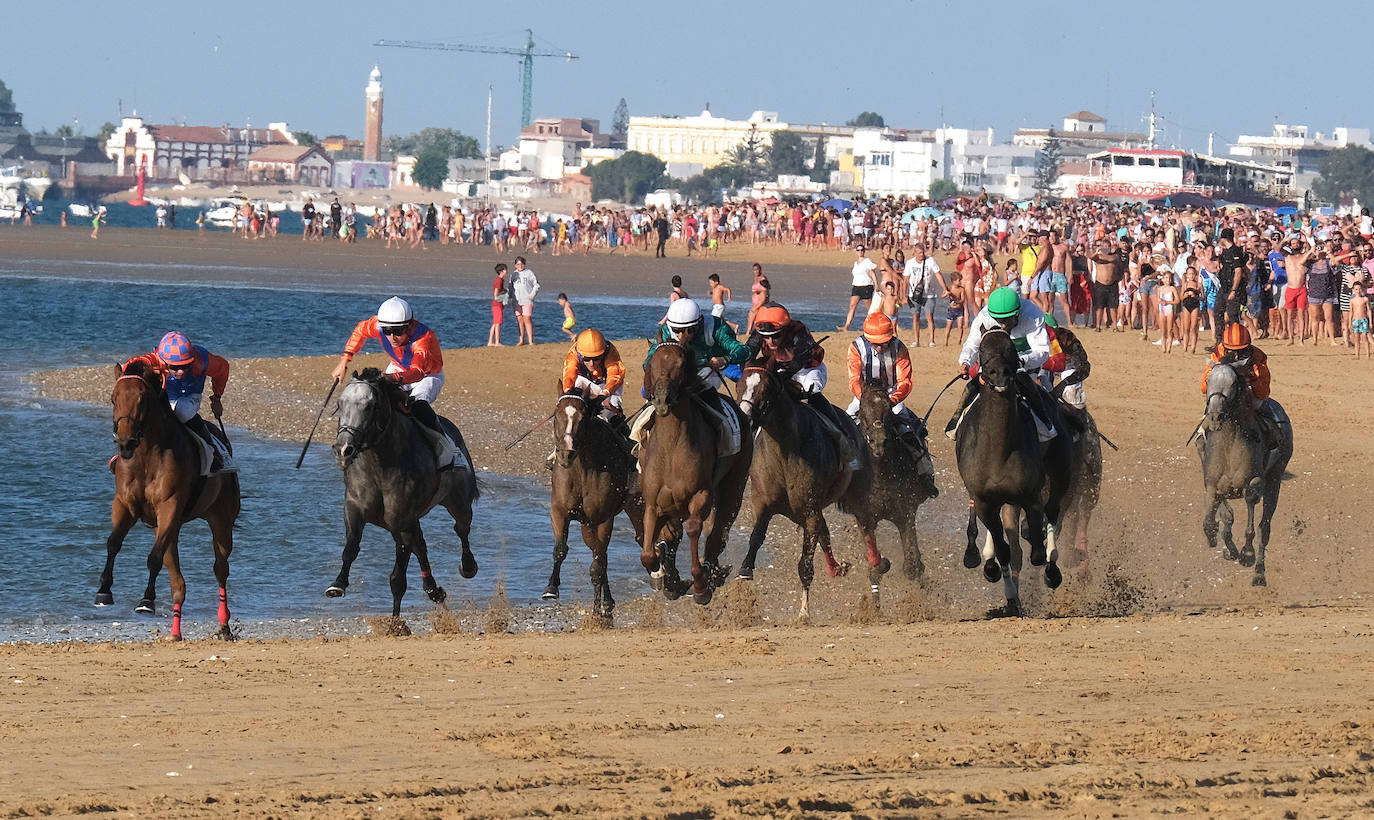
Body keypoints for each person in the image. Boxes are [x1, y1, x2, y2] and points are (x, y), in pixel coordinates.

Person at [329, 297, 456, 468]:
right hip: (398, 367)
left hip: (427, 375)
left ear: (409, 326)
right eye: (387, 331)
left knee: (418, 405)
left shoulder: (423, 339)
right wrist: (345, 360)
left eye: (397, 331)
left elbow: (417, 373)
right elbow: (360, 329)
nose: (392, 337)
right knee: (375, 400)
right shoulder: (378, 326)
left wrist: (392, 380)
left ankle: (447, 447)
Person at [947, 286, 1057, 440]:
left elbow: (1042, 351)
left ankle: (1046, 425)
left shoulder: (1032, 315)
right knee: (971, 387)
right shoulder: (984, 316)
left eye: (1007, 320)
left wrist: (1019, 362)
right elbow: (972, 344)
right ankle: (956, 423)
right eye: (999, 321)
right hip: (994, 368)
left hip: (1023, 368)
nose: (1003, 325)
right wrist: (965, 362)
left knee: (1030, 387)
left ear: (1018, 313)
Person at [845, 313, 937, 496]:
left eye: (883, 342)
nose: (879, 346)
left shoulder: (899, 348)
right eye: (875, 343)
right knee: (845, 427)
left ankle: (925, 472)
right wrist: (867, 400)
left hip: (891, 397)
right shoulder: (856, 348)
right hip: (864, 398)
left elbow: (905, 381)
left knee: (910, 430)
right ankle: (842, 477)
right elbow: (854, 379)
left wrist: (890, 401)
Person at [121, 331, 233, 471]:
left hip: (189, 396)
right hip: (163, 395)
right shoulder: (154, 361)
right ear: (163, 361)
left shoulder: (202, 360)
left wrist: (217, 397)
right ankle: (123, 452)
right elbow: (133, 364)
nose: (180, 372)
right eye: (174, 367)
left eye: (185, 366)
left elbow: (223, 368)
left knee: (182, 411)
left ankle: (212, 449)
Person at [1200, 324, 1289, 469]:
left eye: (1240, 351)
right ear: (1224, 346)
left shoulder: (1258, 357)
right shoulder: (1216, 354)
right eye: (1232, 351)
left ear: (1247, 347)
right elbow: (1204, 388)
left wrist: (1252, 378)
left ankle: (1276, 442)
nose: (1235, 355)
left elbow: (1263, 392)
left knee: (1266, 408)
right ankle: (1201, 439)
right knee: (1213, 407)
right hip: (1225, 394)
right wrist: (1213, 378)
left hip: (1249, 392)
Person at [562, 328, 627, 431]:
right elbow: (569, 374)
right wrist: (567, 392)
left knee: (612, 413)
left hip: (609, 385)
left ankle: (624, 438)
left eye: (596, 358)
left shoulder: (610, 351)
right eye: (586, 359)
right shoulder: (574, 353)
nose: (592, 364)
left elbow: (615, 375)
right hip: (585, 381)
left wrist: (604, 394)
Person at [839, 245, 878, 331]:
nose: (860, 252)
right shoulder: (855, 263)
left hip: (866, 286)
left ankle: (875, 326)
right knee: (852, 305)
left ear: (864, 251)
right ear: (856, 251)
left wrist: (876, 285)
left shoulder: (867, 261)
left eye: (862, 250)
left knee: (870, 309)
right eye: (858, 250)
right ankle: (846, 326)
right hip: (856, 286)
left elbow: (872, 273)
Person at [512, 256, 540, 345]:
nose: (520, 266)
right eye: (518, 264)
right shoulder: (513, 274)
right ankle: (521, 340)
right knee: (520, 320)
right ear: (515, 265)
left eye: (521, 264)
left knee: (527, 319)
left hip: (527, 300)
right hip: (517, 301)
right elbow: (510, 287)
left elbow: (536, 285)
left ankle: (530, 341)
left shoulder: (529, 273)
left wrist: (532, 295)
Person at [488, 263, 509, 346]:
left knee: (495, 323)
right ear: (501, 271)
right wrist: (503, 297)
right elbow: (496, 294)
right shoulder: (499, 280)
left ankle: (490, 342)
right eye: (505, 270)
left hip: (496, 305)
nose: (506, 271)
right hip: (497, 304)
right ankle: (497, 342)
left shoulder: (501, 280)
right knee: (498, 323)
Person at [1350, 281, 1370, 359]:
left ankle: (1368, 355)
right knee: (1356, 338)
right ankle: (1357, 355)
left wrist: (1370, 321)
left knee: (1365, 337)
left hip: (1363, 319)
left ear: (1362, 289)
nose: (1358, 291)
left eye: (1359, 289)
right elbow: (1351, 311)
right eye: (1356, 289)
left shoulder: (1365, 299)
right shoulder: (1352, 301)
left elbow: (1369, 310)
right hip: (1355, 320)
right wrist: (1350, 322)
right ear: (1353, 290)